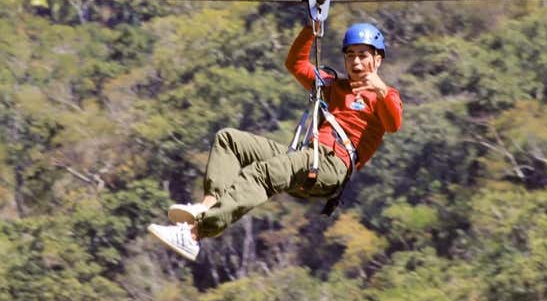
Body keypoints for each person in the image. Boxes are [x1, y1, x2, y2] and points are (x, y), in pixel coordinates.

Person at [147, 21, 403, 261]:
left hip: (331, 166)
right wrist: (311, 29)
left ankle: (193, 235)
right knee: (229, 140)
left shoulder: (385, 96)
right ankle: (207, 206)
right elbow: (296, 63)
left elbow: (393, 124)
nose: (356, 62)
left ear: (377, 59)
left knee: (261, 173)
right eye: (350, 55)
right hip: (309, 158)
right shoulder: (334, 87)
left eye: (363, 55)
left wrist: (379, 88)